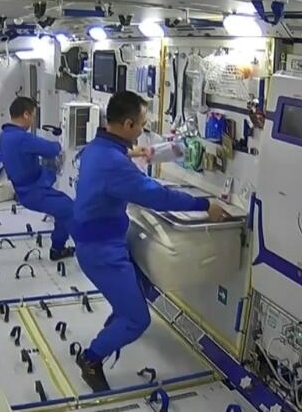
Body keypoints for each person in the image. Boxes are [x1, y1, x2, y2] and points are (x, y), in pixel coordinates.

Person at [71, 91, 228, 392]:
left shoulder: (97, 148)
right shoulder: (113, 163)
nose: (143, 130)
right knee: (137, 319)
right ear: (128, 124)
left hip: (100, 240)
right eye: (142, 124)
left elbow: (112, 162)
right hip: (101, 250)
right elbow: (156, 196)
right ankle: (91, 358)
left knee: (138, 291)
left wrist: (135, 154)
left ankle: (113, 328)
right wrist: (205, 205)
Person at [0, 97, 75, 260]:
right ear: (26, 114)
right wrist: (67, 137)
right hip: (33, 191)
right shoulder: (22, 138)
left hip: (24, 187)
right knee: (69, 209)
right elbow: (53, 149)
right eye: (33, 116)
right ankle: (59, 249)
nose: (33, 120)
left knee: (61, 198)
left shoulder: (4, 136)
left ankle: (59, 245)